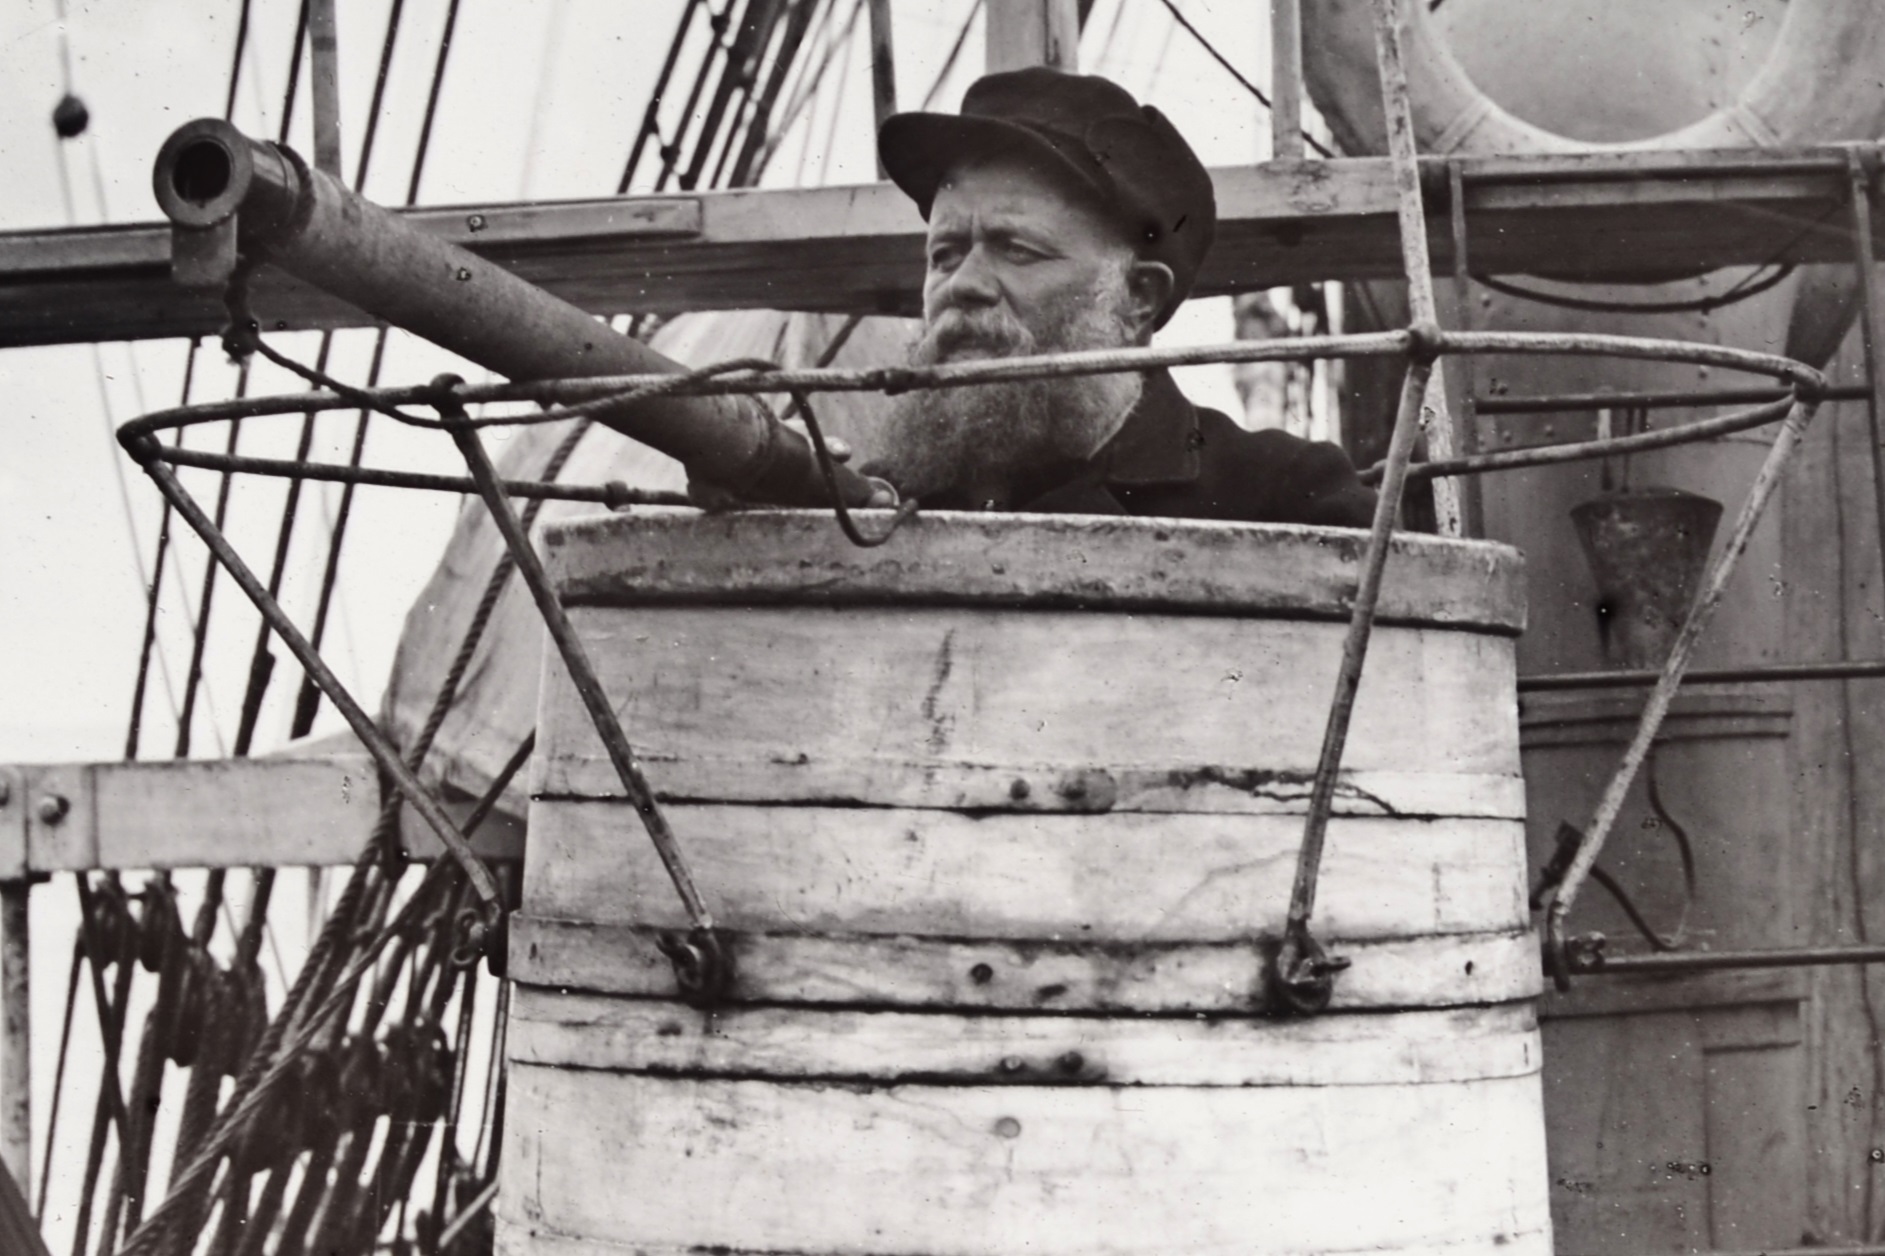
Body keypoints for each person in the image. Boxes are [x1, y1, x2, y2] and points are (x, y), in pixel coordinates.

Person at [860, 65, 1377, 526]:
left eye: (1015, 250)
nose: (963, 284)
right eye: (944, 254)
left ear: (1137, 297)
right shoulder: (874, 501)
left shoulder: (1284, 496)